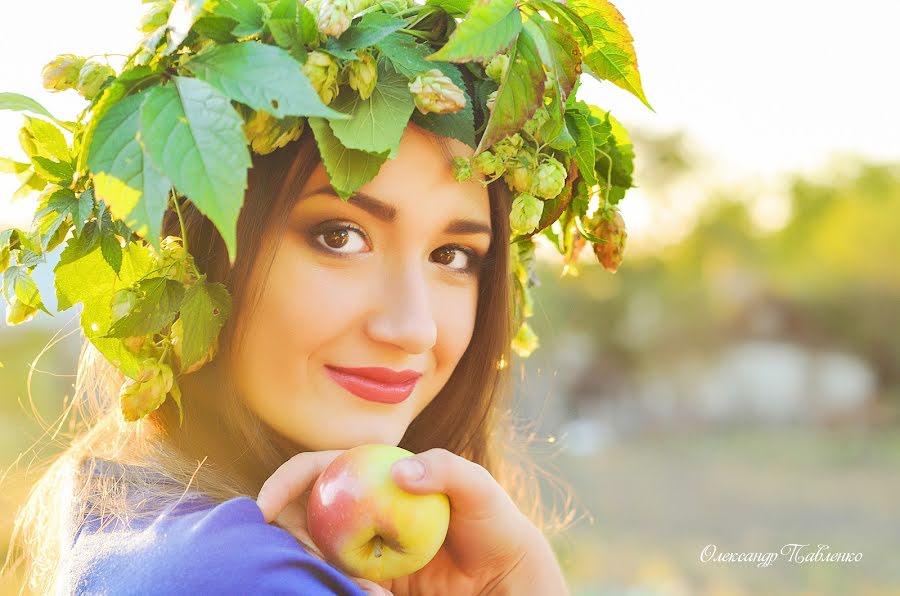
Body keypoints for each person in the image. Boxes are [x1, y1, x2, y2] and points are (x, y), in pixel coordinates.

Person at [6, 122, 569, 594]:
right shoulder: (241, 575)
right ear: (193, 254)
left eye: (452, 255)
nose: (413, 328)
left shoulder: (135, 524)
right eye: (340, 237)